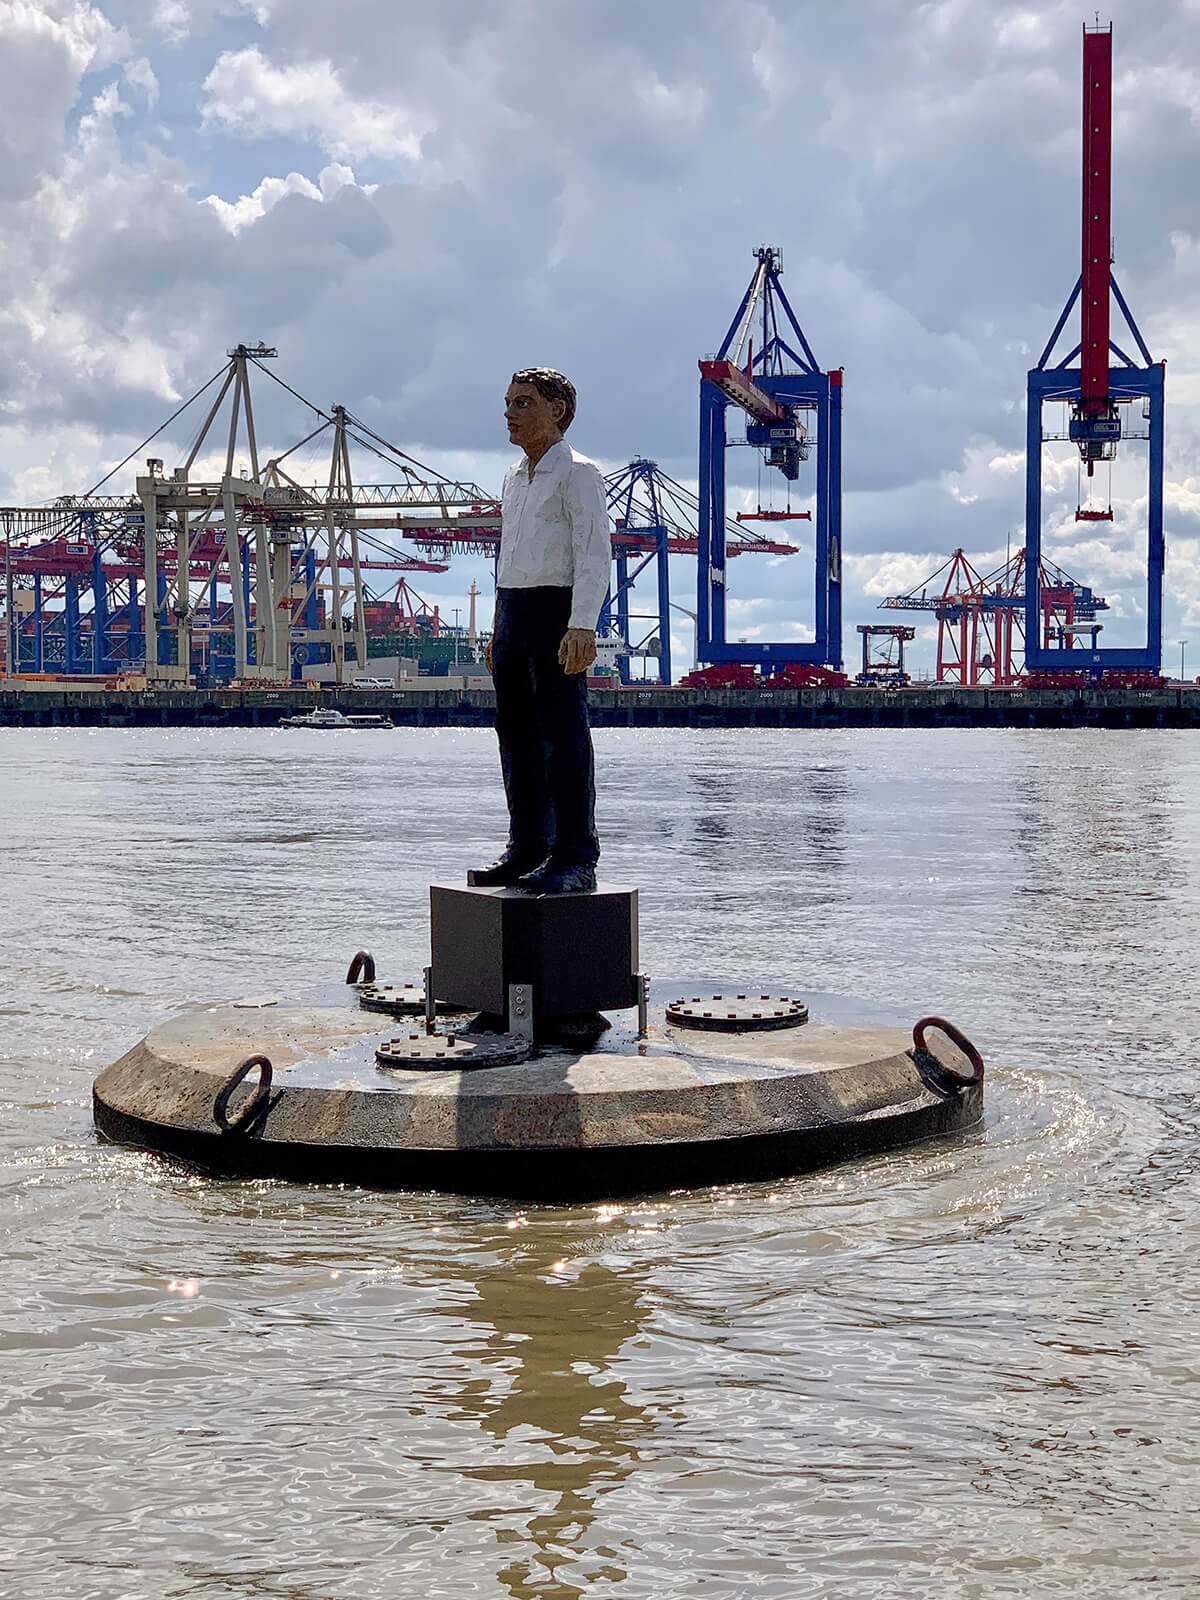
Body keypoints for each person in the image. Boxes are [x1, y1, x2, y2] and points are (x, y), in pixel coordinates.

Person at [469, 368, 610, 894]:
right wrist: (497, 626)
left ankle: (575, 855)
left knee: (564, 736)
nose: (510, 412)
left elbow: (594, 552)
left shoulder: (580, 473)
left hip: (557, 609)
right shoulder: (512, 477)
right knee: (517, 738)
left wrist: (583, 625)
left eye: (523, 403)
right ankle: (527, 846)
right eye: (508, 402)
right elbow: (509, 554)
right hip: (513, 609)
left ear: (558, 410)